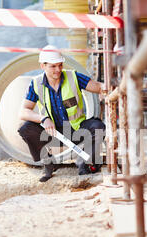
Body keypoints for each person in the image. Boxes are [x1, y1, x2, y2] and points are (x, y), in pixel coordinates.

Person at [18, 44, 106, 182]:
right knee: (25, 129)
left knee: (97, 126)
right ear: (43, 66)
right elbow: (23, 112)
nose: (58, 69)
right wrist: (43, 119)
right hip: (52, 133)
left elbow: (97, 86)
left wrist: (104, 90)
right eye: (53, 66)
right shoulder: (36, 84)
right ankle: (48, 163)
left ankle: (85, 164)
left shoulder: (73, 77)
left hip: (76, 130)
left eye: (60, 65)